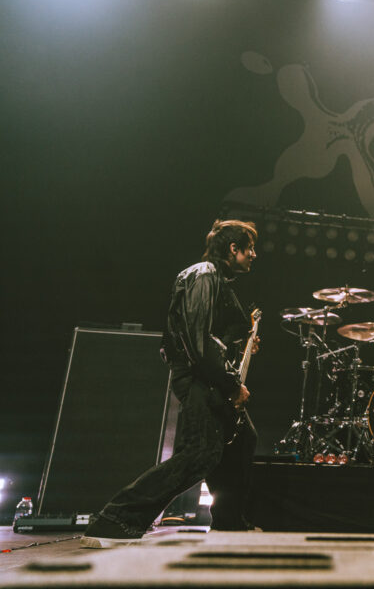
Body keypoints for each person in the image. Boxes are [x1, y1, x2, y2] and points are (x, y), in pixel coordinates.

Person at [80, 220, 261, 547]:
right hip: (200, 376)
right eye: (249, 248)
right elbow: (197, 342)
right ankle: (115, 520)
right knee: (200, 453)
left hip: (211, 375)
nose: (254, 255)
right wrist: (232, 384)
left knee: (241, 440)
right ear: (233, 248)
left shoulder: (217, 281)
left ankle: (230, 525)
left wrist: (239, 346)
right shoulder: (203, 275)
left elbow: (214, 338)